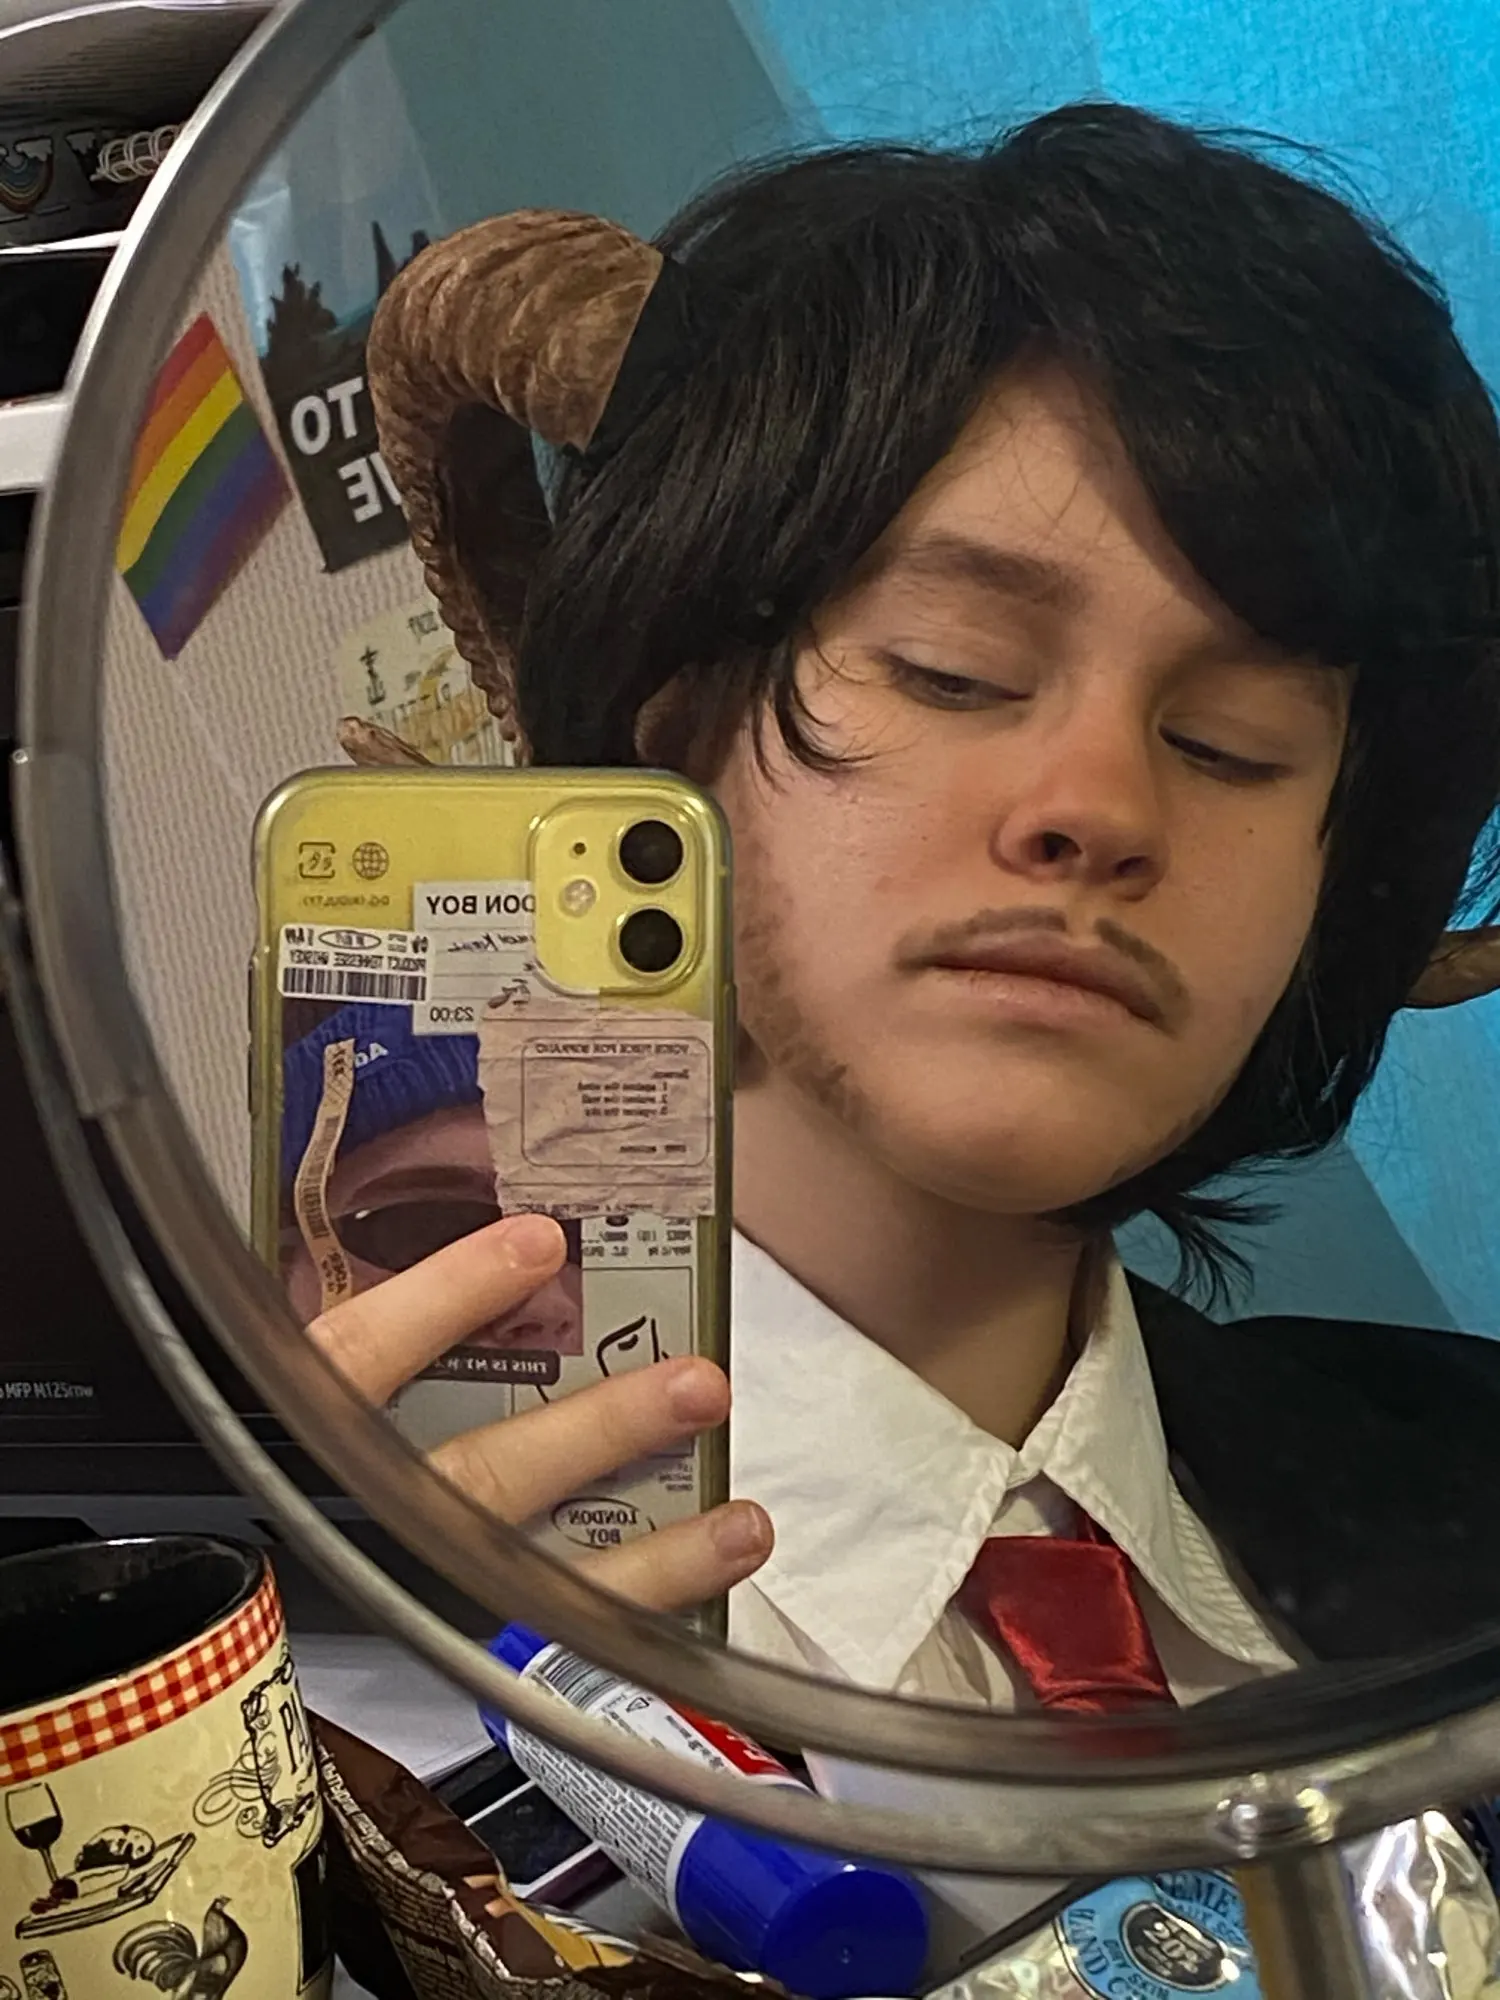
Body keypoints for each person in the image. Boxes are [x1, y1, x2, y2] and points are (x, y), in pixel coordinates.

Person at [313, 102, 1500, 1716]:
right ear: (672, 740)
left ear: (1336, 881)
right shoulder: (304, 1684)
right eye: (954, 669)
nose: (1098, 807)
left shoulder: (1471, 1490)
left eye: (1233, 743)